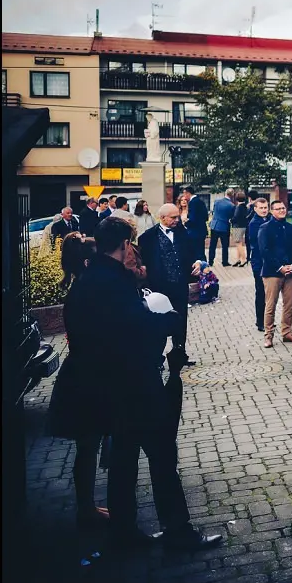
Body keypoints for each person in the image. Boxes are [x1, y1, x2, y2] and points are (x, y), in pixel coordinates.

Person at [77, 217, 222, 551]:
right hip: (135, 385)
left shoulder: (93, 278)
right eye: (131, 245)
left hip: (112, 386)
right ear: (125, 244)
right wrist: (169, 319)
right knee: (161, 456)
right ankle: (177, 531)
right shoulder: (111, 283)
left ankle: (124, 532)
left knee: (124, 461)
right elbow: (137, 325)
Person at [47, 234, 108, 529]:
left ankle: (87, 506)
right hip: (87, 377)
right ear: (87, 262)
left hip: (83, 373)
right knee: (88, 444)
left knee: (89, 444)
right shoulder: (85, 291)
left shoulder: (80, 287)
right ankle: (86, 508)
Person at [137, 204, 202, 363]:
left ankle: (179, 354)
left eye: (177, 216)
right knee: (158, 322)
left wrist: (198, 262)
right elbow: (143, 262)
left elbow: (193, 251)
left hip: (179, 283)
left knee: (180, 320)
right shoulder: (147, 238)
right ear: (162, 218)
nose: (177, 220)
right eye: (173, 217)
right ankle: (156, 357)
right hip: (158, 287)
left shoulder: (182, 232)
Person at [259, 200, 292, 349]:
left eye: (283, 208)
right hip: (272, 272)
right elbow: (264, 251)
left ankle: (287, 332)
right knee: (270, 305)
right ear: (272, 211)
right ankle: (268, 335)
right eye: (278, 209)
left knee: (289, 304)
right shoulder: (265, 228)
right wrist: (280, 267)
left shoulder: (290, 228)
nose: (281, 210)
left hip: (290, 272)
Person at [246, 198, 271, 332]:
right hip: (259, 262)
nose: (264, 210)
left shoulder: (269, 219)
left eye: (265, 207)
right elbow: (257, 245)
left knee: (269, 294)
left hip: (269, 261)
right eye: (261, 208)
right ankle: (260, 321)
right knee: (261, 291)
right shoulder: (254, 223)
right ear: (255, 209)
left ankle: (267, 320)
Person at [208, 188, 236, 267]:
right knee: (225, 245)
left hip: (215, 225)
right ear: (232, 195)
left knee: (212, 245)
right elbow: (231, 216)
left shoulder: (217, 201)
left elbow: (214, 212)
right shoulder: (232, 205)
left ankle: (210, 261)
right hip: (224, 226)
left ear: (225, 193)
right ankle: (224, 262)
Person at [182, 186, 208, 262]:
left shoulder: (192, 203)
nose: (184, 196)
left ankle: (202, 269)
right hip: (201, 230)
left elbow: (192, 219)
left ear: (188, 193)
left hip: (195, 232)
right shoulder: (200, 201)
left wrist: (185, 223)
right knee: (201, 251)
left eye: (184, 194)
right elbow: (206, 217)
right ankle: (205, 267)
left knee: (197, 252)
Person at [229, 191, 250, 267]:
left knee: (238, 243)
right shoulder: (246, 207)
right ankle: (238, 259)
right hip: (243, 226)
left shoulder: (238, 207)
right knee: (240, 243)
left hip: (237, 226)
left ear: (236, 199)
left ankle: (243, 259)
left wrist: (230, 220)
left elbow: (236, 217)